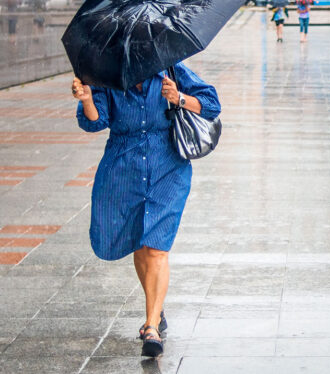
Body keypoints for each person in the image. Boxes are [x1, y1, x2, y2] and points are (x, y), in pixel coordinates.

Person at [71, 66, 220, 357]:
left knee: (156, 248)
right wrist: (87, 98)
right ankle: (157, 306)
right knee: (141, 244)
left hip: (169, 168)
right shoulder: (107, 77)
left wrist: (179, 98)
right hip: (122, 169)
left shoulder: (171, 70)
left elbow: (212, 103)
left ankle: (151, 326)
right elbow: (94, 122)